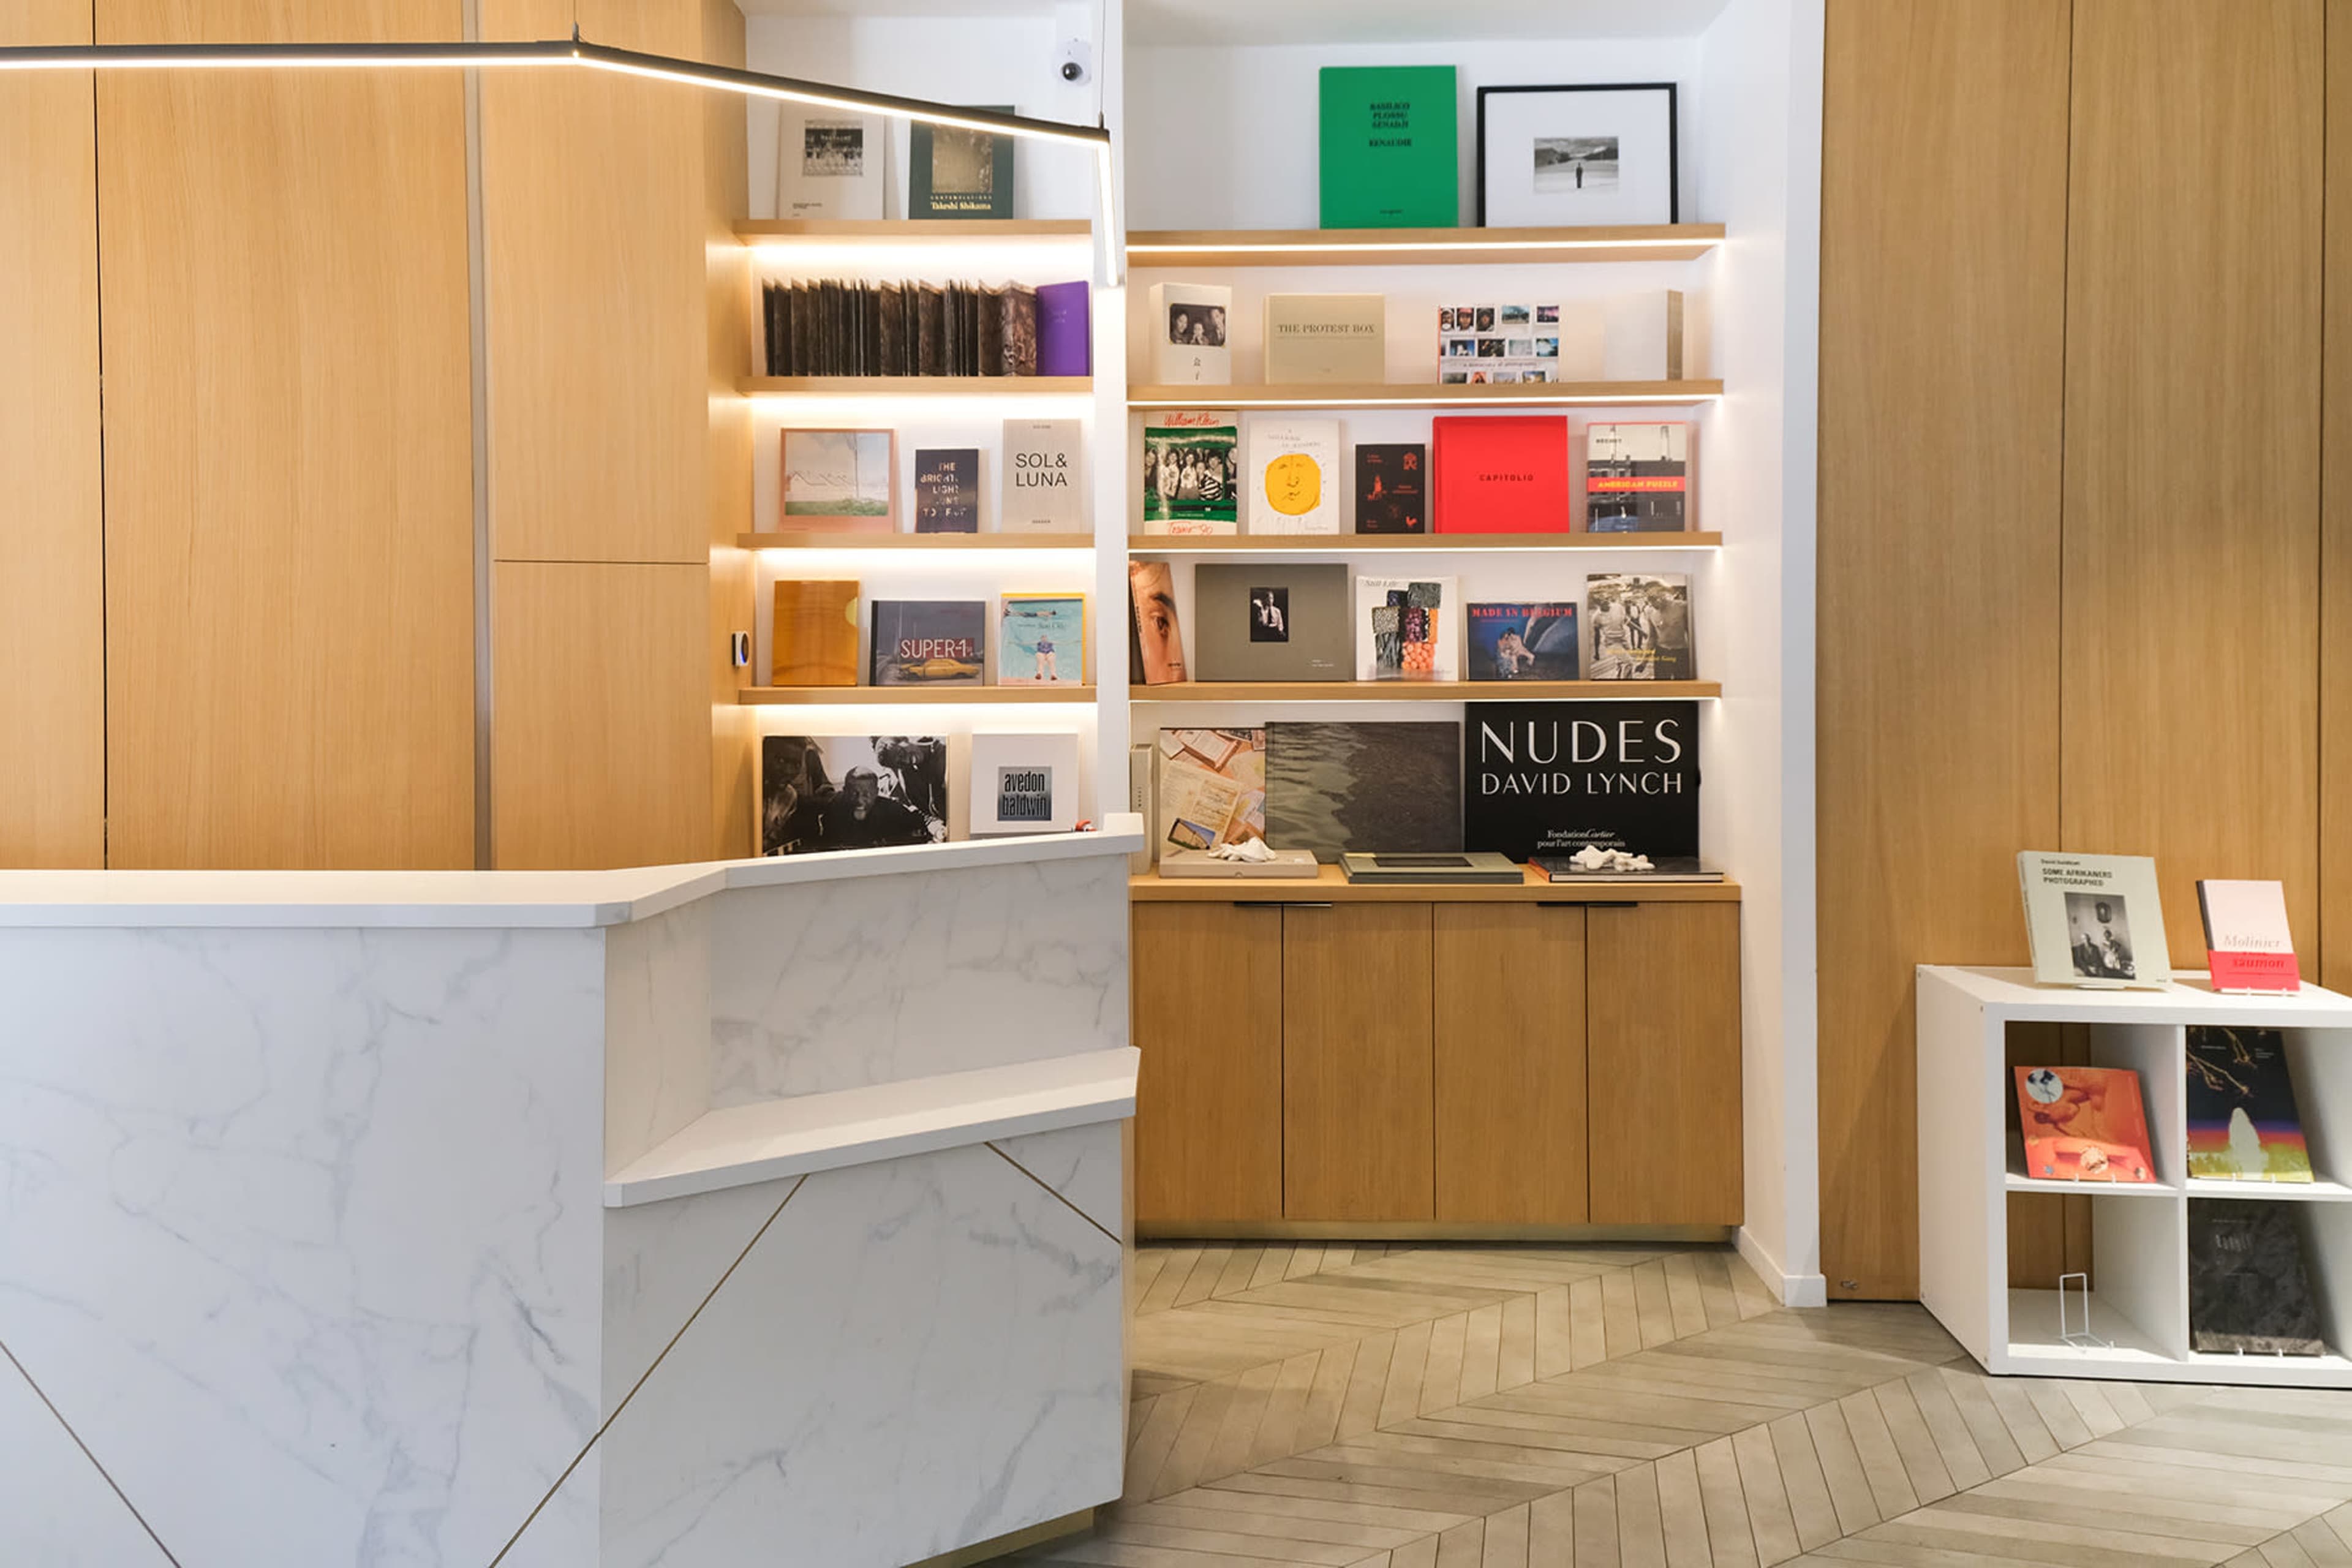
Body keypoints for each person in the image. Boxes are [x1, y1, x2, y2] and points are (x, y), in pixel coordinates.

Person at [823, 765, 929, 849]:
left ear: (876, 792)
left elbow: (923, 819)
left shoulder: (891, 809)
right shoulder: (834, 810)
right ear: (845, 791)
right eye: (854, 794)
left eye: (866, 795)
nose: (860, 801)